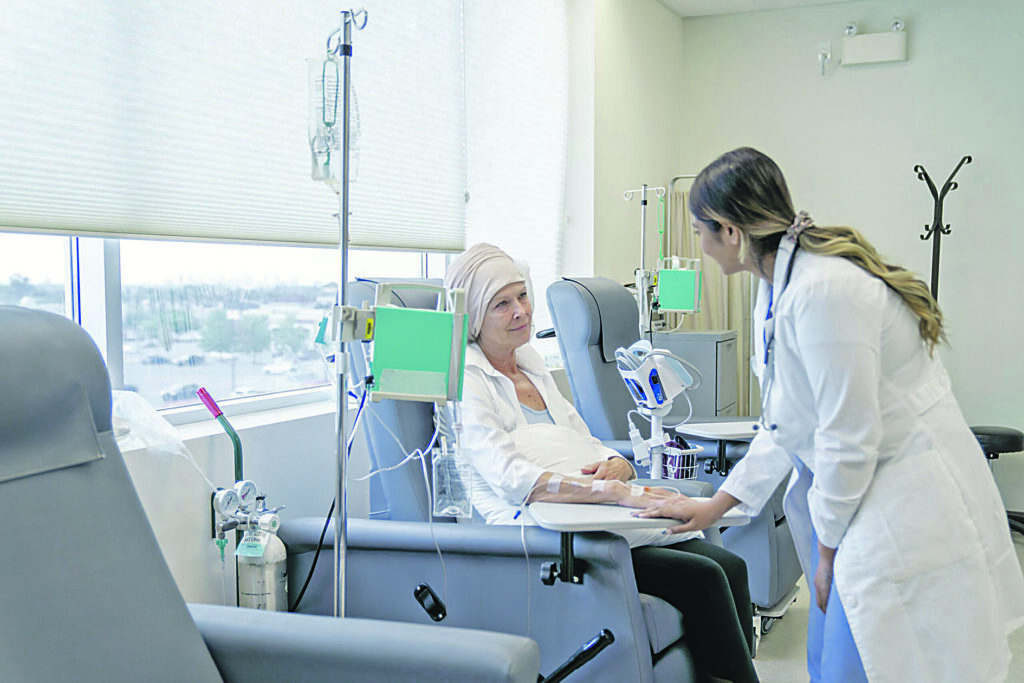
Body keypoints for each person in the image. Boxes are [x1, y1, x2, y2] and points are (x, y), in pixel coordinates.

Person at [637, 147, 1024, 682]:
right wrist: (715, 507)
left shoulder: (824, 290)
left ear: (730, 232)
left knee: (872, 660)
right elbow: (785, 421)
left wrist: (826, 552)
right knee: (832, 661)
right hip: (862, 503)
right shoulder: (778, 285)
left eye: (701, 231)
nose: (700, 246)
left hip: (900, 507)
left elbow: (848, 438)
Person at [443, 242, 759, 683]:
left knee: (731, 566)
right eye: (502, 304)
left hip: (596, 512)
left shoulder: (531, 366)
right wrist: (607, 491)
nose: (521, 310)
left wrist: (619, 466)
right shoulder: (468, 379)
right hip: (546, 533)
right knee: (704, 577)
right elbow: (512, 476)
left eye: (522, 296)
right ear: (475, 318)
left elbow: (584, 439)